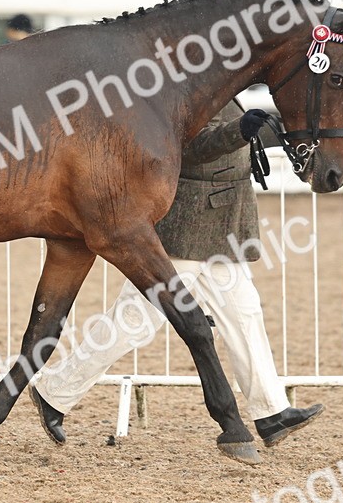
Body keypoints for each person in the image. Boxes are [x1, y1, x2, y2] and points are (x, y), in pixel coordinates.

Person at [31, 107, 323, 448]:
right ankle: (55, 392)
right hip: (189, 227)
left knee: (244, 314)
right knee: (134, 320)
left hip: (221, 228)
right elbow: (190, 148)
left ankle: (271, 411)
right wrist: (238, 131)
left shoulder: (228, 85)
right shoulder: (193, 87)